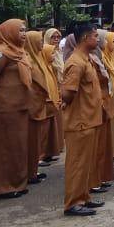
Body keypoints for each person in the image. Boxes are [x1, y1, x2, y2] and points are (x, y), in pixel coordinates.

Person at [0, 19, 34, 200]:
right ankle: (3, 187)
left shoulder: (19, 51)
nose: (23, 34)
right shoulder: (1, 52)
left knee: (18, 146)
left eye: (24, 30)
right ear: (9, 32)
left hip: (20, 105)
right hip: (6, 107)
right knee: (6, 147)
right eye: (20, 30)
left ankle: (17, 182)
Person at [60, 23, 104, 216]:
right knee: (77, 164)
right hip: (80, 121)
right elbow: (68, 92)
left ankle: (83, 197)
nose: (98, 39)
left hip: (88, 119)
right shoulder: (76, 62)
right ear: (85, 38)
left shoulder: (86, 59)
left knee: (85, 164)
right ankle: (73, 203)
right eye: (95, 36)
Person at [23, 30, 57, 186]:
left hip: (39, 104)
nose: (42, 44)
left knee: (36, 140)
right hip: (31, 106)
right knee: (30, 141)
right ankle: (28, 172)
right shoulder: (27, 60)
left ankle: (32, 170)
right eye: (39, 41)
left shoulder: (38, 58)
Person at [90, 30, 114, 194]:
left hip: (103, 104)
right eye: (103, 39)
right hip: (94, 107)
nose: (105, 42)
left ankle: (100, 176)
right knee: (95, 147)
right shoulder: (87, 58)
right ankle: (93, 180)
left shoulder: (98, 55)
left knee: (102, 146)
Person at [41, 27, 65, 163]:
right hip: (52, 88)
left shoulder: (58, 52)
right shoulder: (45, 52)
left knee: (58, 120)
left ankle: (56, 147)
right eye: (53, 37)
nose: (56, 40)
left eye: (58, 37)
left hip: (60, 87)